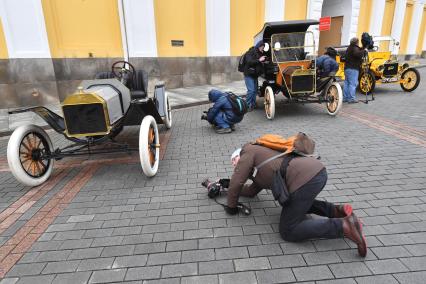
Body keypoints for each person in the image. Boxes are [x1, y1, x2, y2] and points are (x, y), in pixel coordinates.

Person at [225, 144, 367, 257]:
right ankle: (336, 210)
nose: (234, 165)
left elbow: (237, 181)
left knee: (288, 230)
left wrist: (231, 207)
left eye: (234, 160)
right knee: (298, 201)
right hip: (317, 172)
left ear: (239, 154)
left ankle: (343, 226)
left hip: (306, 178)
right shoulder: (259, 164)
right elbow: (250, 191)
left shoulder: (247, 151)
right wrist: (226, 186)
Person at [243, 40, 267, 111]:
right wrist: (259, 60)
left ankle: (252, 105)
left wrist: (264, 60)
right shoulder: (250, 52)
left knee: (255, 91)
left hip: (255, 75)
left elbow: (258, 63)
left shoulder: (259, 53)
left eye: (263, 47)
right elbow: (249, 61)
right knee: (251, 90)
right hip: (249, 74)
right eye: (262, 47)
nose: (263, 48)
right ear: (259, 46)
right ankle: (247, 106)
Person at [343, 37, 366, 103]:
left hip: (347, 68)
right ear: (357, 42)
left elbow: (356, 52)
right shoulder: (354, 48)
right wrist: (364, 50)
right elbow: (357, 54)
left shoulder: (349, 48)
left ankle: (345, 98)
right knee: (353, 84)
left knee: (347, 83)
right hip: (353, 68)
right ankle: (351, 99)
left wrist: (362, 49)